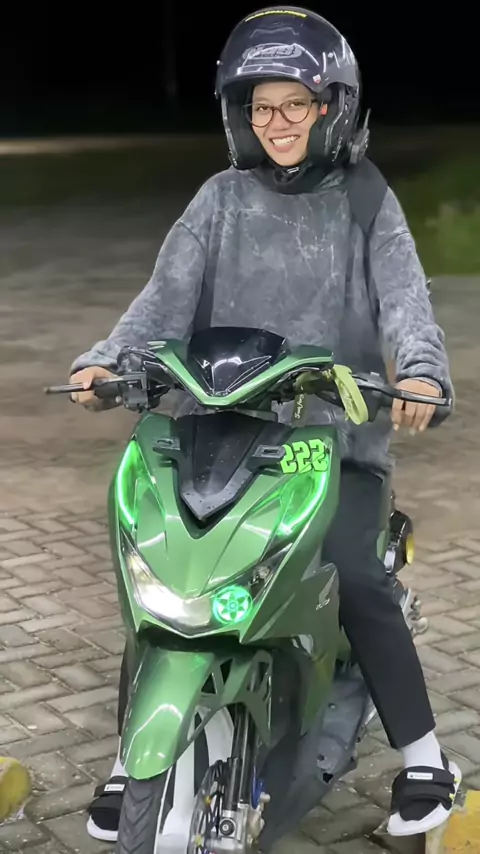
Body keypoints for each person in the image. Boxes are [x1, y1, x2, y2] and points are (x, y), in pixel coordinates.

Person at [69, 6, 458, 843]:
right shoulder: (218, 200)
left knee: (355, 574)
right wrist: (106, 363)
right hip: (216, 429)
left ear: (333, 107)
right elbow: (160, 303)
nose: (276, 122)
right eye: (260, 106)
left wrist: (421, 371)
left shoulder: (366, 199)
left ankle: (426, 760)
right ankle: (131, 760)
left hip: (330, 442)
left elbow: (406, 301)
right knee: (162, 574)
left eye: (295, 104)